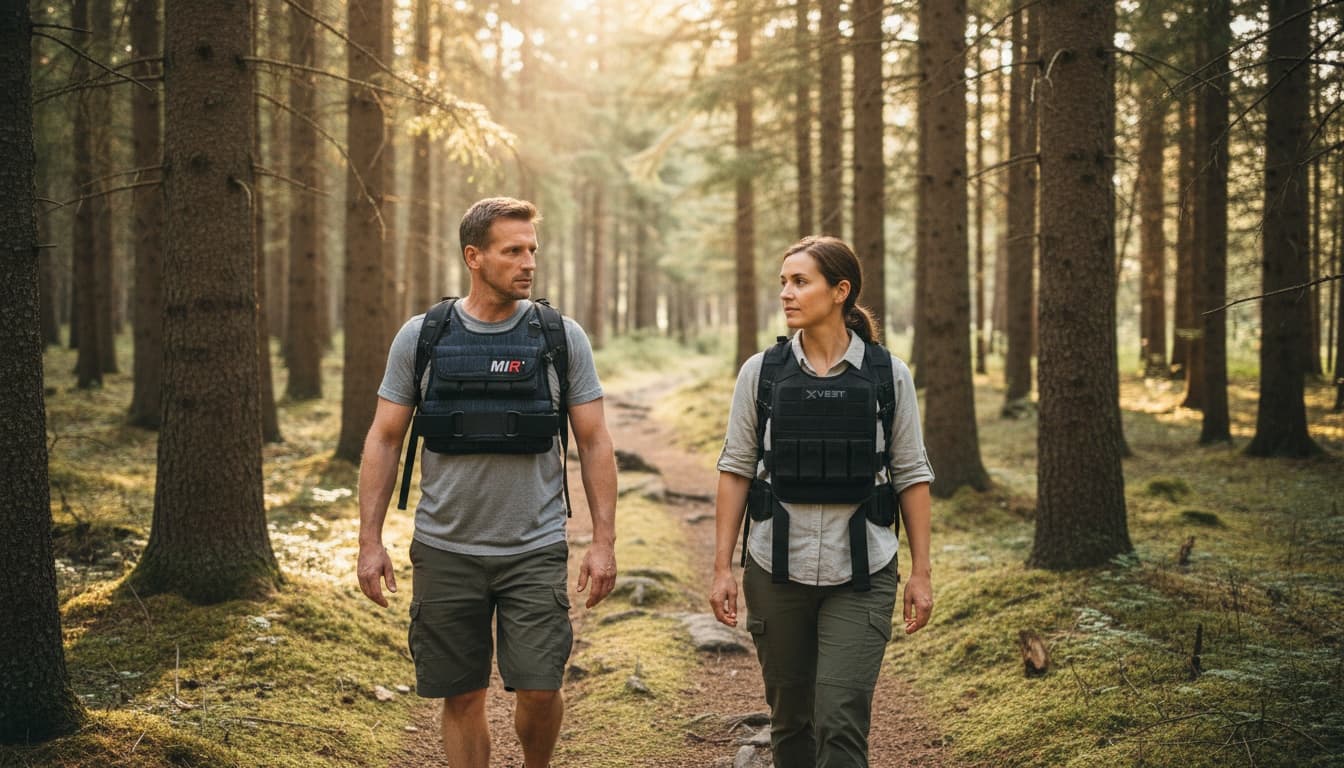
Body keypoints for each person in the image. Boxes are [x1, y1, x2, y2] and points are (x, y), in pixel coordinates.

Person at [357, 197, 618, 768]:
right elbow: (383, 438)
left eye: (532, 250)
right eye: (513, 251)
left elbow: (596, 441)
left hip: (534, 546)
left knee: (541, 688)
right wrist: (370, 541)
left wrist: (603, 542)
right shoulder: (423, 336)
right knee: (463, 693)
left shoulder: (559, 337)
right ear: (474, 257)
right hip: (446, 548)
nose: (528, 263)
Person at [709, 235, 934, 768]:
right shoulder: (760, 373)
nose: (786, 293)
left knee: (840, 722)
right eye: (783, 282)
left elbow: (911, 474)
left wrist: (922, 572)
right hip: (773, 569)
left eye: (800, 281)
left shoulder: (887, 376)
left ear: (840, 291)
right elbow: (736, 468)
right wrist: (721, 566)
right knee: (791, 723)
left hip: (863, 573)